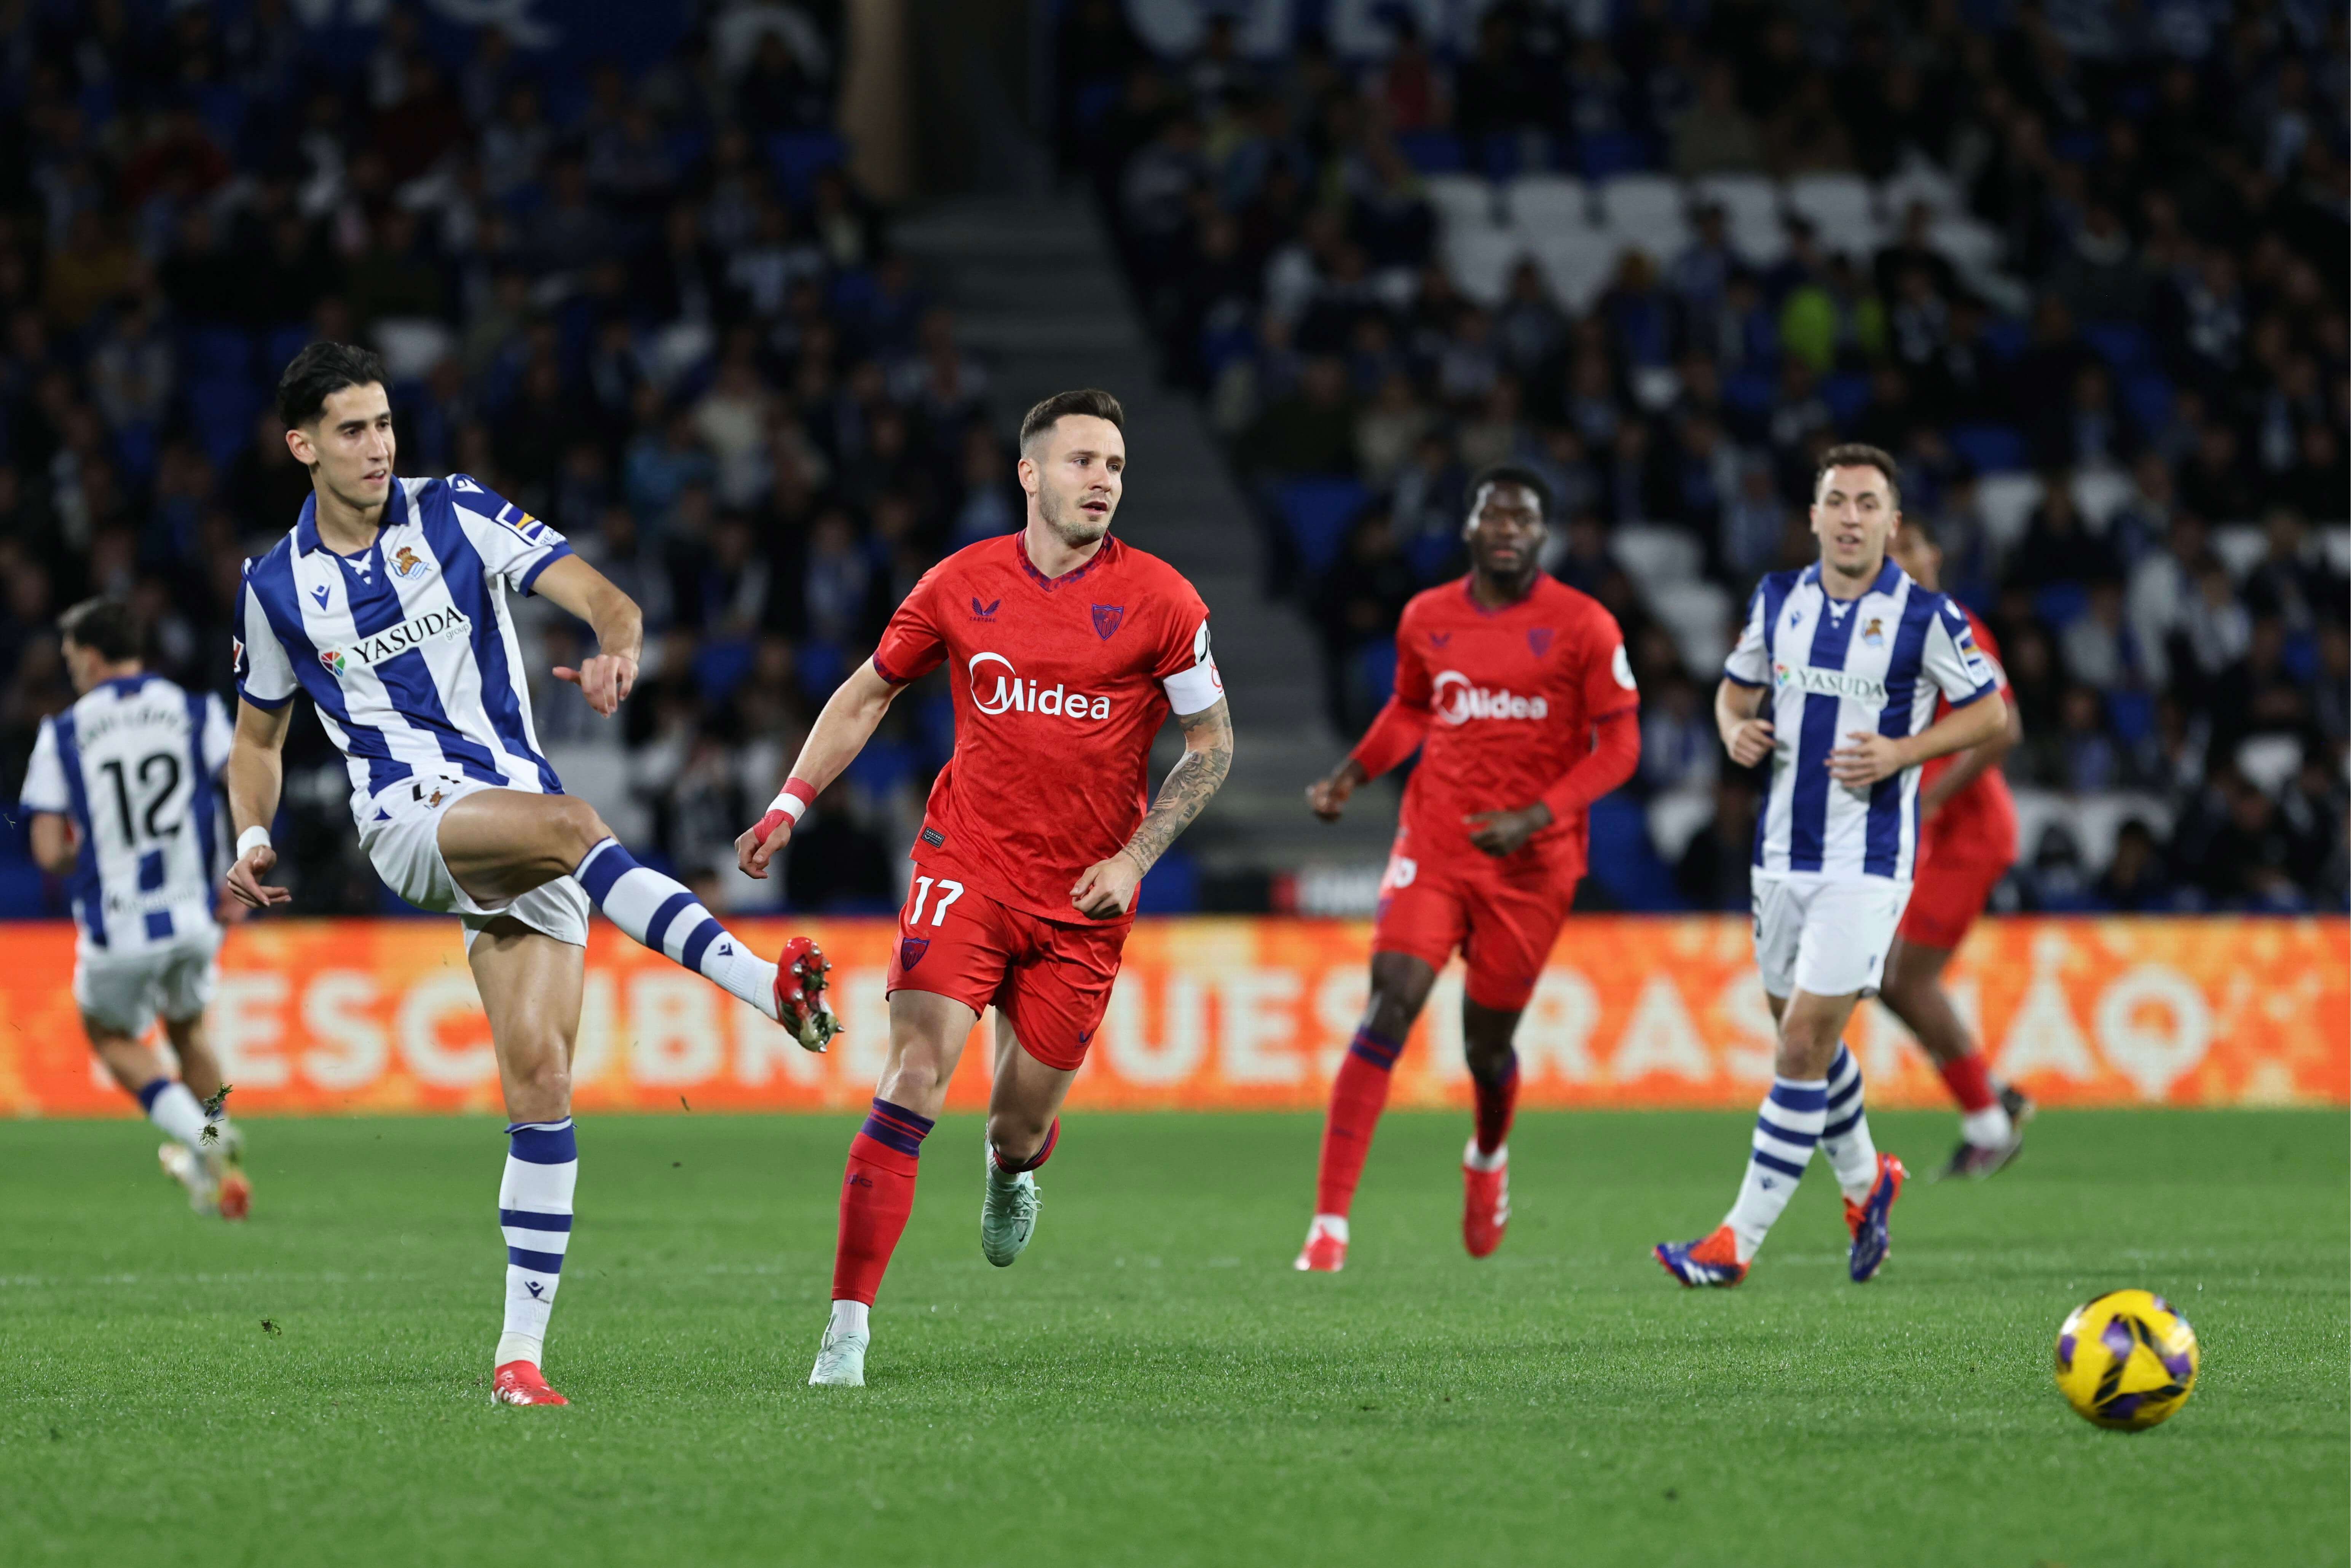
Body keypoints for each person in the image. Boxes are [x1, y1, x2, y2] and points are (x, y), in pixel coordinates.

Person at [223, 343, 835, 1408]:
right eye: (353, 430)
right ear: (302, 446)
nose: (379, 446)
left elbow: (607, 598)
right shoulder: (276, 586)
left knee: (543, 1086)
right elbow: (259, 740)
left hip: (519, 819)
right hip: (410, 820)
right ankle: (764, 988)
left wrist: (617, 651)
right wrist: (250, 834)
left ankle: (517, 1361)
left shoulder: (457, 511)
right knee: (576, 824)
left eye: (385, 423)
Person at [737, 389, 1232, 1389]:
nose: (1104, 481)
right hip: (965, 866)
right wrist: (792, 802)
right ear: (1030, 473)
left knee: (1019, 1120)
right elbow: (870, 689)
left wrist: (1136, 858)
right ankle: (846, 1331)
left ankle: (1012, 1169)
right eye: (1085, 461)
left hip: (1086, 901)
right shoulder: (961, 584)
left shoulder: (1166, 603)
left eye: (1117, 467)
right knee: (915, 1073)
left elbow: (1212, 744)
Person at [1656, 444, 2006, 1289]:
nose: (1851, 517)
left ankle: (1732, 1244)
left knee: (1803, 1043)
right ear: (1812, 516)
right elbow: (1734, 691)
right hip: (1778, 858)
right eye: (1836, 501)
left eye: (1867, 503)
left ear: (1892, 521)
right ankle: (1866, 1182)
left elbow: (1991, 712)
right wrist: (1731, 726)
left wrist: (1903, 752)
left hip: (1867, 864)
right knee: (1802, 1040)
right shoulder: (1776, 600)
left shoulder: (1927, 616)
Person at [1292, 465, 1641, 1273]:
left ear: (1541, 535)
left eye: (1524, 519)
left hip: (1532, 865)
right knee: (1389, 1004)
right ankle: (1329, 1224)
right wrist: (1354, 771)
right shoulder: (1427, 616)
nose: (1509, 529)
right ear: (1471, 528)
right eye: (1495, 515)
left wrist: (1537, 814)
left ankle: (1486, 1155)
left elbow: (1622, 744)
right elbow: (1413, 706)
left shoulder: (1584, 625)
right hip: (1437, 844)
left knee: (1486, 1050)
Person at [19, 597, 247, 1219]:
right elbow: (239, 786)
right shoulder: (195, 710)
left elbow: (46, 849)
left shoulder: (64, 731)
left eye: (71, 662)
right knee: (188, 1026)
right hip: (195, 914)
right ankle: (214, 1141)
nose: (72, 673)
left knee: (111, 1033)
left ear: (91, 657)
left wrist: (82, 856)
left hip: (118, 922)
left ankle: (200, 1136)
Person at [1884, 520, 2035, 1178]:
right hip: (1938, 836)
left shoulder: (1957, 626)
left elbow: (2005, 728)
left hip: (1969, 835)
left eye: (1914, 546)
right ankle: (1990, 1097)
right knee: (1890, 979)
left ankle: (1989, 1123)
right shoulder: (1892, 634)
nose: (1909, 561)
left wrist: (1934, 796)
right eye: (1895, 554)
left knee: (1904, 978)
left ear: (1936, 551)